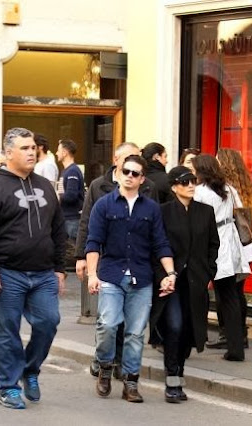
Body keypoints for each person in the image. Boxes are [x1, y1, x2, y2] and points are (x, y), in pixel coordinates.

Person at [0, 127, 67, 410]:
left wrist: (60, 268)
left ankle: (30, 370)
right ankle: (9, 386)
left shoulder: (45, 185)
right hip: (6, 273)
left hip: (43, 274)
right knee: (6, 331)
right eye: (24, 148)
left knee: (48, 322)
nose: (31, 152)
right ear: (8, 153)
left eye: (33, 147)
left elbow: (58, 229)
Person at [86, 154, 175, 403]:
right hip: (111, 275)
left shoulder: (151, 209)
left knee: (135, 334)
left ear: (142, 179)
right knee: (108, 325)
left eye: (135, 173)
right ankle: (105, 367)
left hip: (141, 277)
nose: (129, 176)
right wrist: (92, 275)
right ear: (119, 173)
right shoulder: (104, 205)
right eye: (126, 171)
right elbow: (93, 242)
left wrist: (170, 273)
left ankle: (131, 382)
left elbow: (160, 243)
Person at [74, 142, 159, 379]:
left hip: (137, 264)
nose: (132, 169)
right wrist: (81, 257)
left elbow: (156, 228)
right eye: (127, 160)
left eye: (137, 159)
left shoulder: (148, 187)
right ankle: (104, 359)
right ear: (116, 160)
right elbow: (87, 223)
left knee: (131, 326)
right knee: (109, 321)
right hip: (107, 260)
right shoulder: (98, 186)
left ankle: (121, 363)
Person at [150, 166, 219, 403]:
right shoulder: (163, 212)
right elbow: (156, 245)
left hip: (196, 281)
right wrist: (162, 275)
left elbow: (213, 245)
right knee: (175, 327)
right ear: (173, 186)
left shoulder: (205, 211)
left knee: (189, 331)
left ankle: (179, 374)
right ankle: (172, 380)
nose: (191, 185)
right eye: (185, 181)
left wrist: (209, 272)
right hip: (171, 282)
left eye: (193, 181)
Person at [191, 154, 251, 361]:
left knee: (200, 294)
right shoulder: (229, 189)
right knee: (230, 296)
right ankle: (236, 347)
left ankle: (195, 339)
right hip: (230, 242)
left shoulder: (199, 192)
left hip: (212, 243)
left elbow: (195, 219)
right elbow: (240, 211)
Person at [56, 139, 84, 241]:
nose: (56, 153)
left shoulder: (72, 171)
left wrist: (57, 196)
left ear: (64, 152)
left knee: (72, 248)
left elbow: (71, 196)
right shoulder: (66, 171)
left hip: (72, 220)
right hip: (67, 219)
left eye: (58, 150)